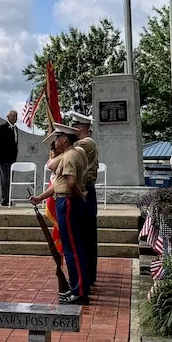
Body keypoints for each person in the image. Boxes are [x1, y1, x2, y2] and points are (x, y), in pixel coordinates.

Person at [29, 124, 90, 306]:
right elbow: (59, 184)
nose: (55, 142)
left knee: (72, 249)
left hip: (69, 202)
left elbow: (70, 183)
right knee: (72, 248)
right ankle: (76, 288)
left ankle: (78, 291)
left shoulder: (70, 156)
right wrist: (40, 197)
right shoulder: (70, 155)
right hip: (66, 200)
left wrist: (81, 198)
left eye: (57, 138)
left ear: (65, 139)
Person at [70, 111, 100, 286]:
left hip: (84, 192)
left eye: (74, 127)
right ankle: (87, 276)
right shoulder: (84, 143)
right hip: (86, 191)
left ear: (81, 127)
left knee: (83, 236)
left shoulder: (84, 144)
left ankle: (85, 277)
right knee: (86, 236)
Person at [0, 110, 20, 206]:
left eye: (16, 116)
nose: (14, 118)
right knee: (5, 180)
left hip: (12, 158)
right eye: (13, 116)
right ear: (8, 117)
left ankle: (9, 198)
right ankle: (5, 199)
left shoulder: (15, 128)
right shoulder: (2, 127)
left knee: (10, 180)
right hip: (3, 158)